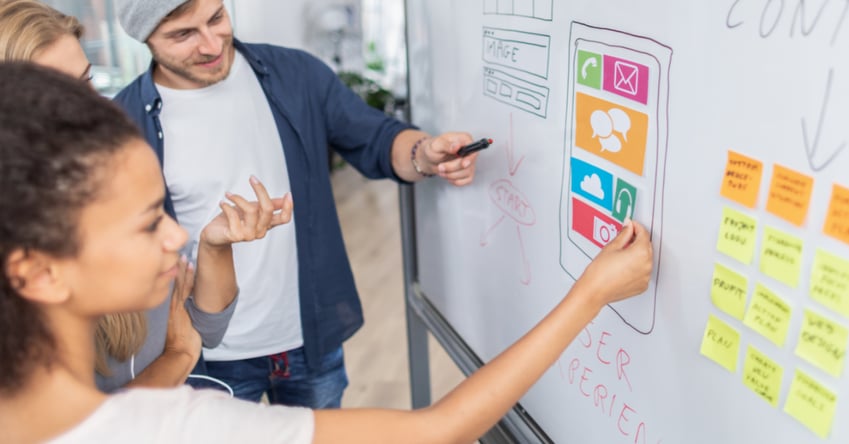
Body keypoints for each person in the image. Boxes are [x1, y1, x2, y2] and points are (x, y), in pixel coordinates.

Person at [0, 62, 653, 444]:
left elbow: (374, 138)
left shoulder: (293, 76)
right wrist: (589, 292)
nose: (176, 235)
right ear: (36, 270)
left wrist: (178, 352)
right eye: (149, 223)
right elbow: (434, 431)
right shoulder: (168, 425)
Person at [113, 0, 483, 407]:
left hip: (309, 337)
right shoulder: (121, 123)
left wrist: (423, 154)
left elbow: (376, 138)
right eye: (183, 35)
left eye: (217, 18)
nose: (212, 44)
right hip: (206, 355)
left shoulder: (296, 74)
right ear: (143, 38)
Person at [0, 0, 294, 392]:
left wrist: (212, 245)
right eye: (58, 96)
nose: (89, 110)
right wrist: (177, 359)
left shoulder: (107, 191)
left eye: (86, 83)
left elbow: (203, 325)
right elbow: (77, 425)